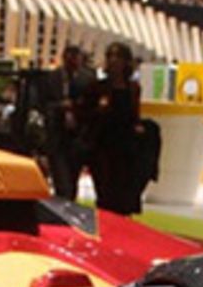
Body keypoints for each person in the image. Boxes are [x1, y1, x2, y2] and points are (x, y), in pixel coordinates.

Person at [85, 42, 144, 215]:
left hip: (125, 147)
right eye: (110, 56)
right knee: (105, 191)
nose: (113, 60)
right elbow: (86, 114)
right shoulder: (97, 87)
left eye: (118, 56)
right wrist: (99, 110)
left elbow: (134, 115)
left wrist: (138, 127)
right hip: (103, 144)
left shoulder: (133, 88)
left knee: (123, 191)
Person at [41, 45, 92, 201]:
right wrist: (59, 107)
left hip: (77, 138)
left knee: (72, 181)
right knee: (62, 183)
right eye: (69, 58)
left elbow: (90, 107)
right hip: (57, 137)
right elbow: (43, 104)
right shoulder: (51, 78)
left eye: (75, 58)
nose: (72, 62)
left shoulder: (87, 80)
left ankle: (69, 207)